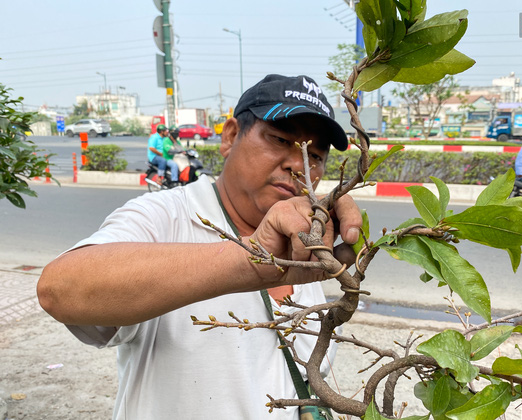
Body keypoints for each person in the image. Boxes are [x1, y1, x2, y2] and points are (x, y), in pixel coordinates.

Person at [37, 74, 361, 419]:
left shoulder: (310, 245)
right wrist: (252, 261)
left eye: (315, 156)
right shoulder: (166, 217)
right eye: (281, 140)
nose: (299, 166)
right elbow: (60, 290)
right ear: (231, 136)